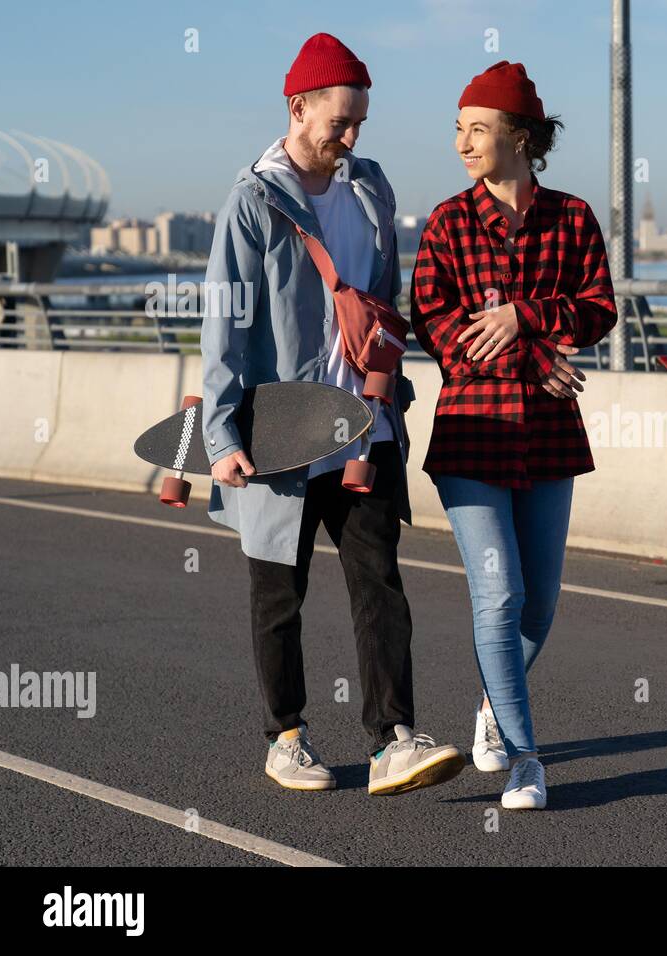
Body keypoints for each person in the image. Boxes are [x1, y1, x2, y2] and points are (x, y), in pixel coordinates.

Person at [201, 32, 464, 796]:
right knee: (279, 592)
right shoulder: (252, 201)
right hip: (279, 429)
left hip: (364, 423)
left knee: (379, 580)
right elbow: (227, 324)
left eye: (359, 125)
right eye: (338, 123)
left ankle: (393, 741)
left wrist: (388, 384)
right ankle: (286, 737)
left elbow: (381, 302)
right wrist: (222, 435)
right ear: (298, 108)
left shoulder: (368, 187)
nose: (348, 138)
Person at [410, 60, 617, 810]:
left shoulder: (573, 217)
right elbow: (440, 328)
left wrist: (523, 316)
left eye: (477, 128)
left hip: (549, 435)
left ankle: (494, 708)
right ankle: (526, 759)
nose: (462, 141)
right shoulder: (446, 223)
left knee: (540, 605)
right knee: (497, 596)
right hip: (471, 435)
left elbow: (599, 309)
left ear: (519, 136)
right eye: (459, 129)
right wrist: (532, 350)